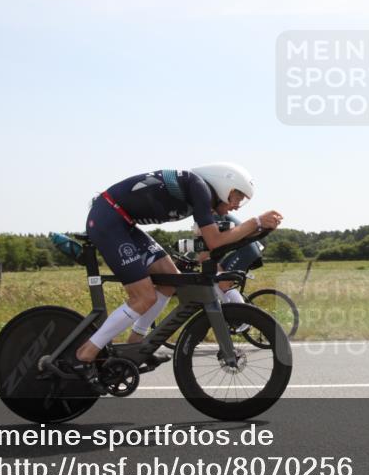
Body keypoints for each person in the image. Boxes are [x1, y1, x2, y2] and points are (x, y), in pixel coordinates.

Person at [73, 163, 283, 391]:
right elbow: (214, 241)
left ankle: (137, 345)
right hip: (109, 220)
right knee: (143, 298)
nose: (236, 206)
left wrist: (258, 230)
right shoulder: (200, 188)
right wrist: (256, 222)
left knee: (169, 281)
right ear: (225, 185)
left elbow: (212, 245)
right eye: (237, 197)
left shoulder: (200, 193)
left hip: (122, 223)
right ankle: (86, 354)